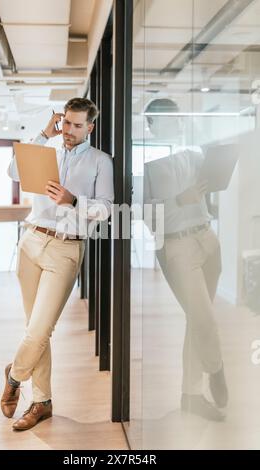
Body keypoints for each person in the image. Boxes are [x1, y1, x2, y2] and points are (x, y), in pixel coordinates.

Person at [1, 97, 114, 431]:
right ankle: (42, 402)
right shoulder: (46, 149)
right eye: (65, 122)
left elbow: (106, 208)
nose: (69, 130)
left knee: (40, 330)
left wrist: (73, 200)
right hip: (32, 241)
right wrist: (41, 133)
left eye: (77, 125)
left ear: (90, 127)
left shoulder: (100, 161)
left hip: (66, 248)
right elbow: (13, 171)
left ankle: (14, 376)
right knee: (34, 330)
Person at [144, 98, 228, 421]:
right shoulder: (146, 164)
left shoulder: (194, 154)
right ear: (151, 126)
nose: (178, 121)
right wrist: (180, 199)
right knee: (204, 318)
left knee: (197, 319)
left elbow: (213, 183)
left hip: (207, 239)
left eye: (178, 116)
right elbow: (144, 215)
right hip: (177, 246)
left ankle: (191, 395)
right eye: (169, 118)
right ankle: (216, 368)